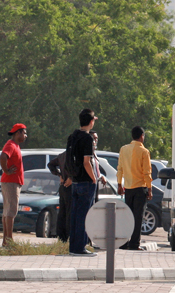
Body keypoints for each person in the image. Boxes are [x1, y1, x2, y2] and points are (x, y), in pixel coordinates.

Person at [67, 108, 99, 257]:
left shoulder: (72, 136)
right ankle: (80, 248)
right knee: (84, 216)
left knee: (75, 215)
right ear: (91, 121)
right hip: (86, 182)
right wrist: (94, 178)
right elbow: (87, 162)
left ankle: (73, 246)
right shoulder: (87, 138)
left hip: (75, 181)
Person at [117, 126, 153, 251]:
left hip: (128, 188)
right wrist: (149, 189)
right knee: (138, 217)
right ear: (142, 136)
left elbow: (120, 168)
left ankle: (123, 243)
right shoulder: (144, 152)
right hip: (140, 188)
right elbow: (147, 173)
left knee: (127, 216)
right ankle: (134, 244)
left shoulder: (123, 149)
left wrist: (119, 185)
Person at [0, 123, 27, 247]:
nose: (25, 135)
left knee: (7, 212)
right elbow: (3, 156)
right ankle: (9, 242)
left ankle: (6, 241)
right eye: (24, 133)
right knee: (11, 212)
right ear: (18, 133)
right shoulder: (11, 145)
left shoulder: (15, 145)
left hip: (11, 182)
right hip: (11, 182)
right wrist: (6, 170)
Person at [47, 150, 72, 242]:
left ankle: (62, 238)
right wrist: (69, 177)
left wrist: (59, 174)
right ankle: (69, 237)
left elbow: (50, 164)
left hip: (64, 186)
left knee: (63, 212)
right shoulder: (74, 154)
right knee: (69, 213)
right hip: (71, 185)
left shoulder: (62, 155)